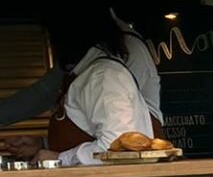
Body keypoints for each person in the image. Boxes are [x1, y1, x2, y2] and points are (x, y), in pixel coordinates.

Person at [3, 13, 159, 166]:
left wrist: (61, 158)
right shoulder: (85, 72)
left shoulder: (102, 77)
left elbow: (116, 147)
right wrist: (43, 144)